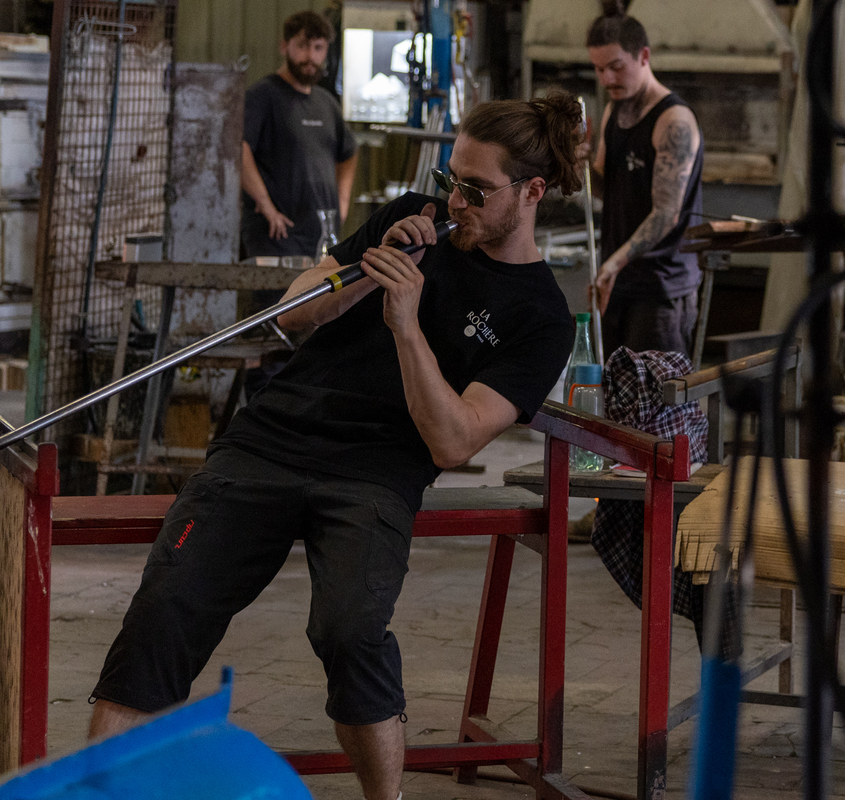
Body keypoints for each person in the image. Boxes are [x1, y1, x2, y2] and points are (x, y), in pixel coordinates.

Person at [87, 93, 582, 800]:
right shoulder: (410, 220)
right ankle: (93, 793)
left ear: (531, 192)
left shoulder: (541, 317)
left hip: (375, 473)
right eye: (450, 180)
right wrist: (363, 270)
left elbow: (452, 439)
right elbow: (294, 314)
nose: (455, 201)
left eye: (475, 189)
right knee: (167, 606)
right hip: (270, 441)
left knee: (350, 631)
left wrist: (406, 324)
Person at [587, 0, 704, 358]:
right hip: (620, 281)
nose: (606, 79)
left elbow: (666, 212)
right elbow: (609, 189)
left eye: (616, 67)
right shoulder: (614, 109)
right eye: (599, 69)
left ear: (644, 56)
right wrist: (580, 164)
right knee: (613, 406)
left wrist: (614, 262)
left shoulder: (674, 120)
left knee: (653, 409)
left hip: (661, 290)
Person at [241, 10, 358, 261]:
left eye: (318, 48)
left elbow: (348, 152)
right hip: (277, 239)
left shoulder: (326, 103)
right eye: (303, 46)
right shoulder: (263, 96)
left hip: (320, 240)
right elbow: (238, 149)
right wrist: (266, 205)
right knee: (277, 302)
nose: (310, 57)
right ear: (285, 46)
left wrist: (342, 204)